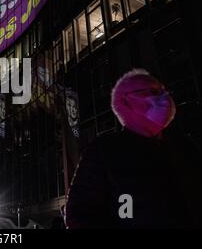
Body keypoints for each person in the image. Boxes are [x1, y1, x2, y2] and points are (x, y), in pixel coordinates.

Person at [65, 69, 202, 228]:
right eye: (152, 92)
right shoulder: (105, 151)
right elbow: (80, 213)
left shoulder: (182, 145)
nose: (163, 97)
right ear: (126, 101)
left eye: (163, 91)